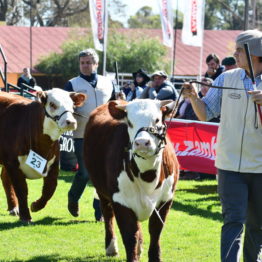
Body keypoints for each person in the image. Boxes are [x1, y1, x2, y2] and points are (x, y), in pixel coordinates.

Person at [182, 29, 262, 262]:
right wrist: (194, 97)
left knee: (258, 227)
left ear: (255, 54)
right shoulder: (226, 78)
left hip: (260, 169)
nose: (234, 54)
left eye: (239, 50)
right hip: (229, 166)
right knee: (233, 222)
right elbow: (206, 113)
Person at [64, 48, 114, 221]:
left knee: (104, 174)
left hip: (106, 135)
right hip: (82, 135)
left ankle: (99, 211)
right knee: (85, 173)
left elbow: (114, 105)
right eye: (82, 63)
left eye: (88, 62)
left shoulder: (108, 82)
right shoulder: (72, 84)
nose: (85, 66)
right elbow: (65, 108)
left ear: (96, 64)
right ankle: (73, 197)